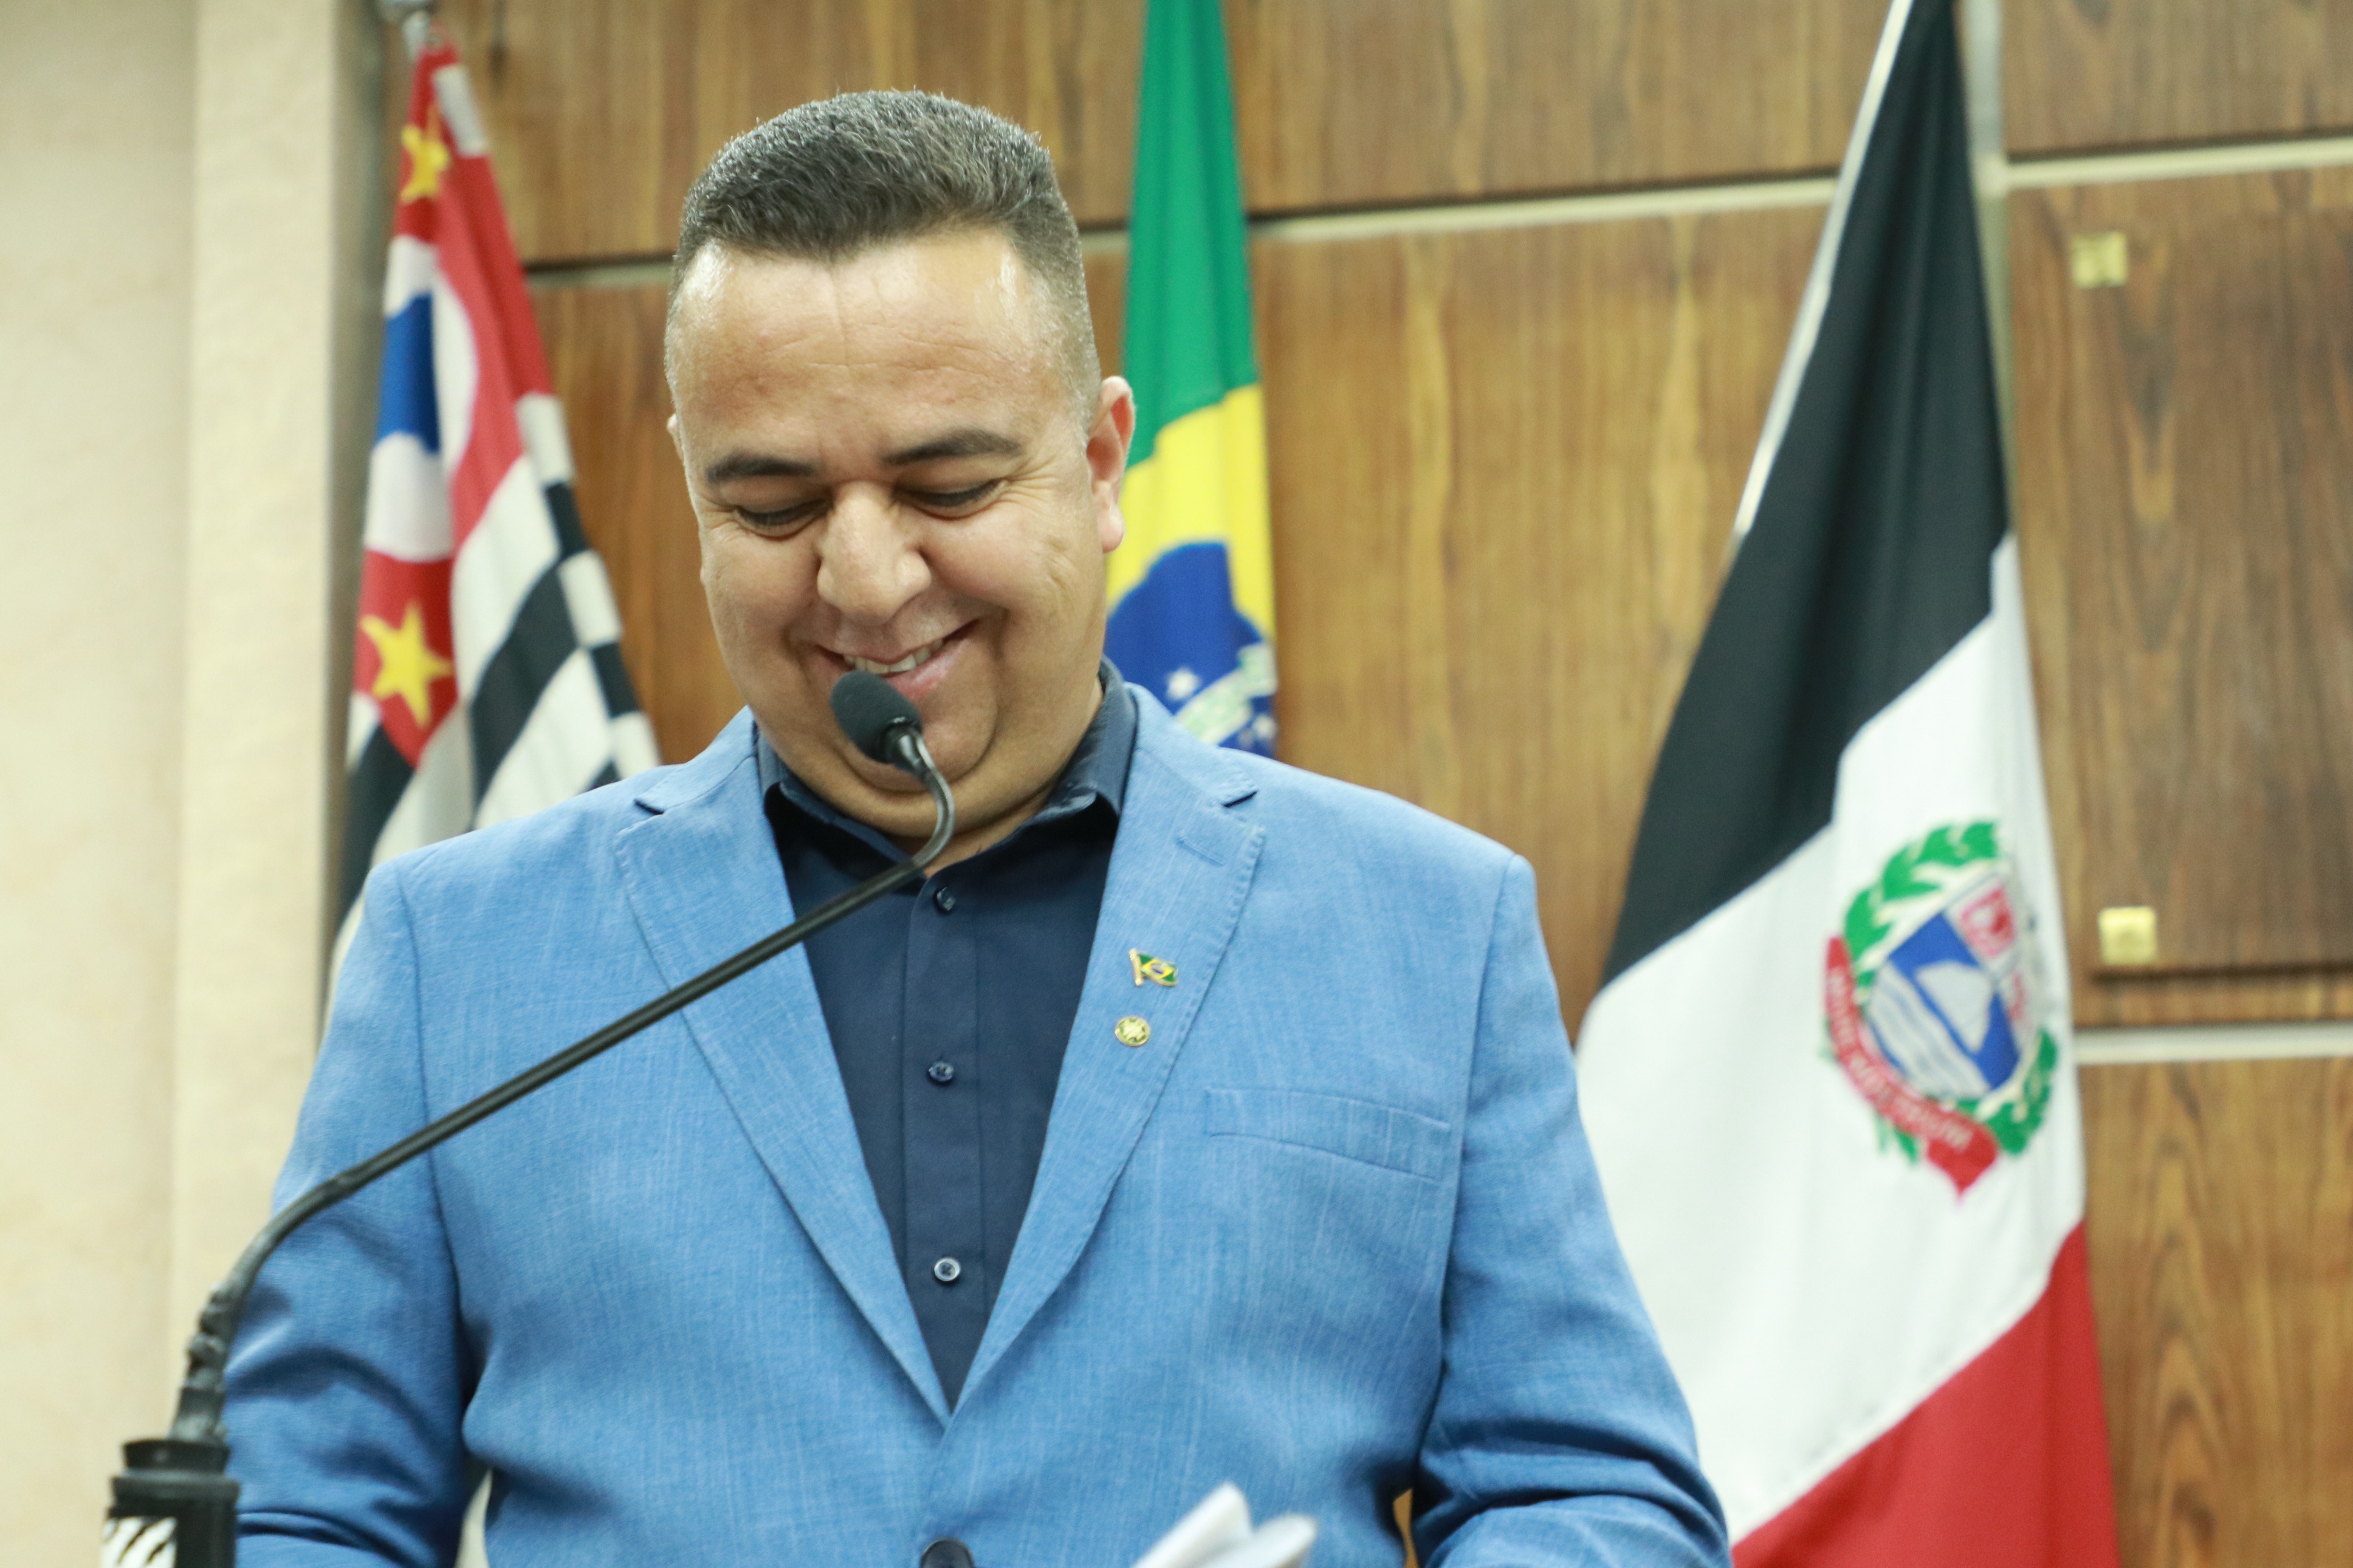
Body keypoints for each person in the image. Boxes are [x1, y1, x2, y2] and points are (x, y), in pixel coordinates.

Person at [227, 91, 1730, 1568]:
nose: (866, 580)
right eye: (772, 506)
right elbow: (301, 1516)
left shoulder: (1430, 928)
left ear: (1101, 459)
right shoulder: (456, 952)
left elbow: (1590, 1497)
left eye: (946, 485)